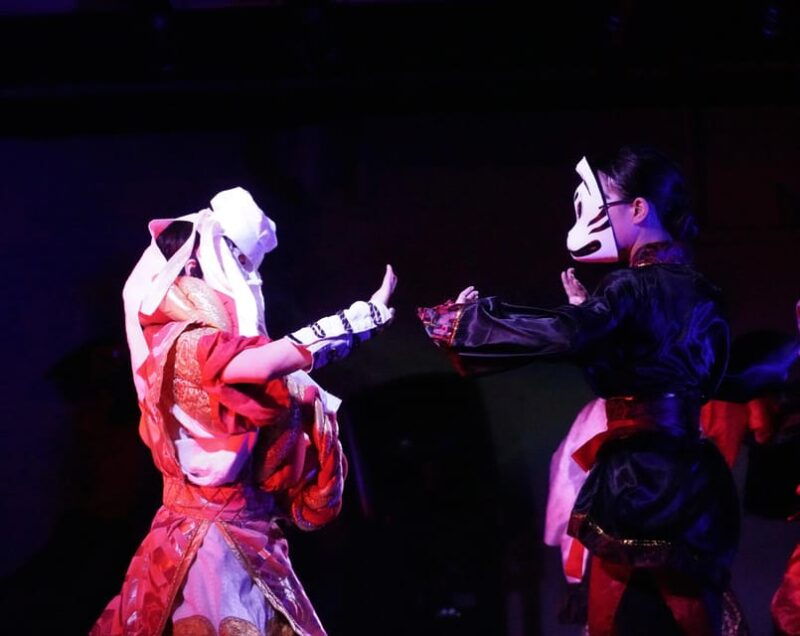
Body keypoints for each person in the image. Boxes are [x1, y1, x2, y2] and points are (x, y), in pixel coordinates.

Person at [418, 146, 739, 634]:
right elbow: (679, 373)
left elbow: (568, 333)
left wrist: (472, 324)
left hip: (638, 478)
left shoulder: (632, 288)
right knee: (690, 614)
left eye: (606, 200)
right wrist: (600, 325)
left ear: (637, 209)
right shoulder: (701, 291)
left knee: (625, 614)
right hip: (693, 474)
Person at [92, 187, 397, 636]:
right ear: (193, 266)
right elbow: (259, 364)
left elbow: (273, 369)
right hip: (207, 552)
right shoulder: (183, 345)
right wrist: (357, 318)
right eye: (230, 259)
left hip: (252, 547)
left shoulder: (202, 343)